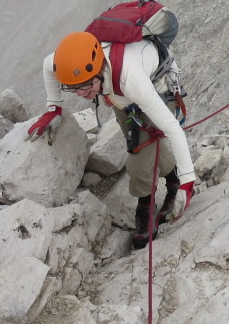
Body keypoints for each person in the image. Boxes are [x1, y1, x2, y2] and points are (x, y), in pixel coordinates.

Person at [27, 31, 196, 249]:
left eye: (85, 86)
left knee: (138, 159)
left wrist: (188, 182)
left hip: (156, 89)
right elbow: (47, 64)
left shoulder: (131, 78)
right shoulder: (71, 67)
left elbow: (173, 129)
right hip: (121, 98)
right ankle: (171, 181)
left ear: (98, 71)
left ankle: (145, 207)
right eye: (73, 88)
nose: (80, 93)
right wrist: (53, 107)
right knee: (143, 144)